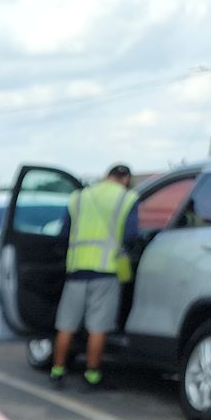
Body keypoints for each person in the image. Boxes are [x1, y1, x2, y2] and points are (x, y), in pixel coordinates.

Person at [51, 164, 140, 389]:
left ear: (106, 176)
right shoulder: (127, 199)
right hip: (107, 271)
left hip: (76, 270)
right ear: (126, 178)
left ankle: (58, 370)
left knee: (66, 325)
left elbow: (63, 233)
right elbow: (131, 236)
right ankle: (92, 375)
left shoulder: (78, 197)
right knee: (97, 328)